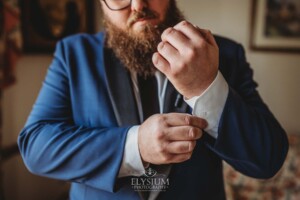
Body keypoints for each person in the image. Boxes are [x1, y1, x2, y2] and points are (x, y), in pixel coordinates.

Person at [18, 0, 289, 199]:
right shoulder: (73, 54)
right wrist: (135, 146)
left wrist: (204, 86)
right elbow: (36, 145)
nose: (138, 4)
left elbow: (267, 159)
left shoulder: (222, 53)